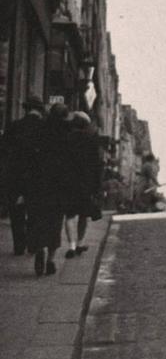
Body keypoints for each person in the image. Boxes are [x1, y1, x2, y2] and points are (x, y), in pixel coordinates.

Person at [25, 103, 69, 276]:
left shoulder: (40, 129)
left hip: (39, 184)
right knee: (55, 223)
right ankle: (51, 259)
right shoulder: (67, 133)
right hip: (58, 185)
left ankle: (39, 250)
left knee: (38, 220)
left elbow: (30, 157)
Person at [1, 95, 46, 256]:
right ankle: (33, 244)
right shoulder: (44, 128)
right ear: (40, 110)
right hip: (37, 176)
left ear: (26, 109)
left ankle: (19, 245)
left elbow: (4, 151)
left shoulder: (14, 126)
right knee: (35, 211)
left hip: (15, 175)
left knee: (16, 212)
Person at [62, 111, 102, 258]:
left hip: (69, 182)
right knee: (83, 215)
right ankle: (80, 243)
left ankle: (71, 246)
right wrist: (97, 186)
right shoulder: (91, 141)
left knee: (69, 215)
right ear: (85, 125)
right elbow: (97, 166)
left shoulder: (66, 139)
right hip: (86, 183)